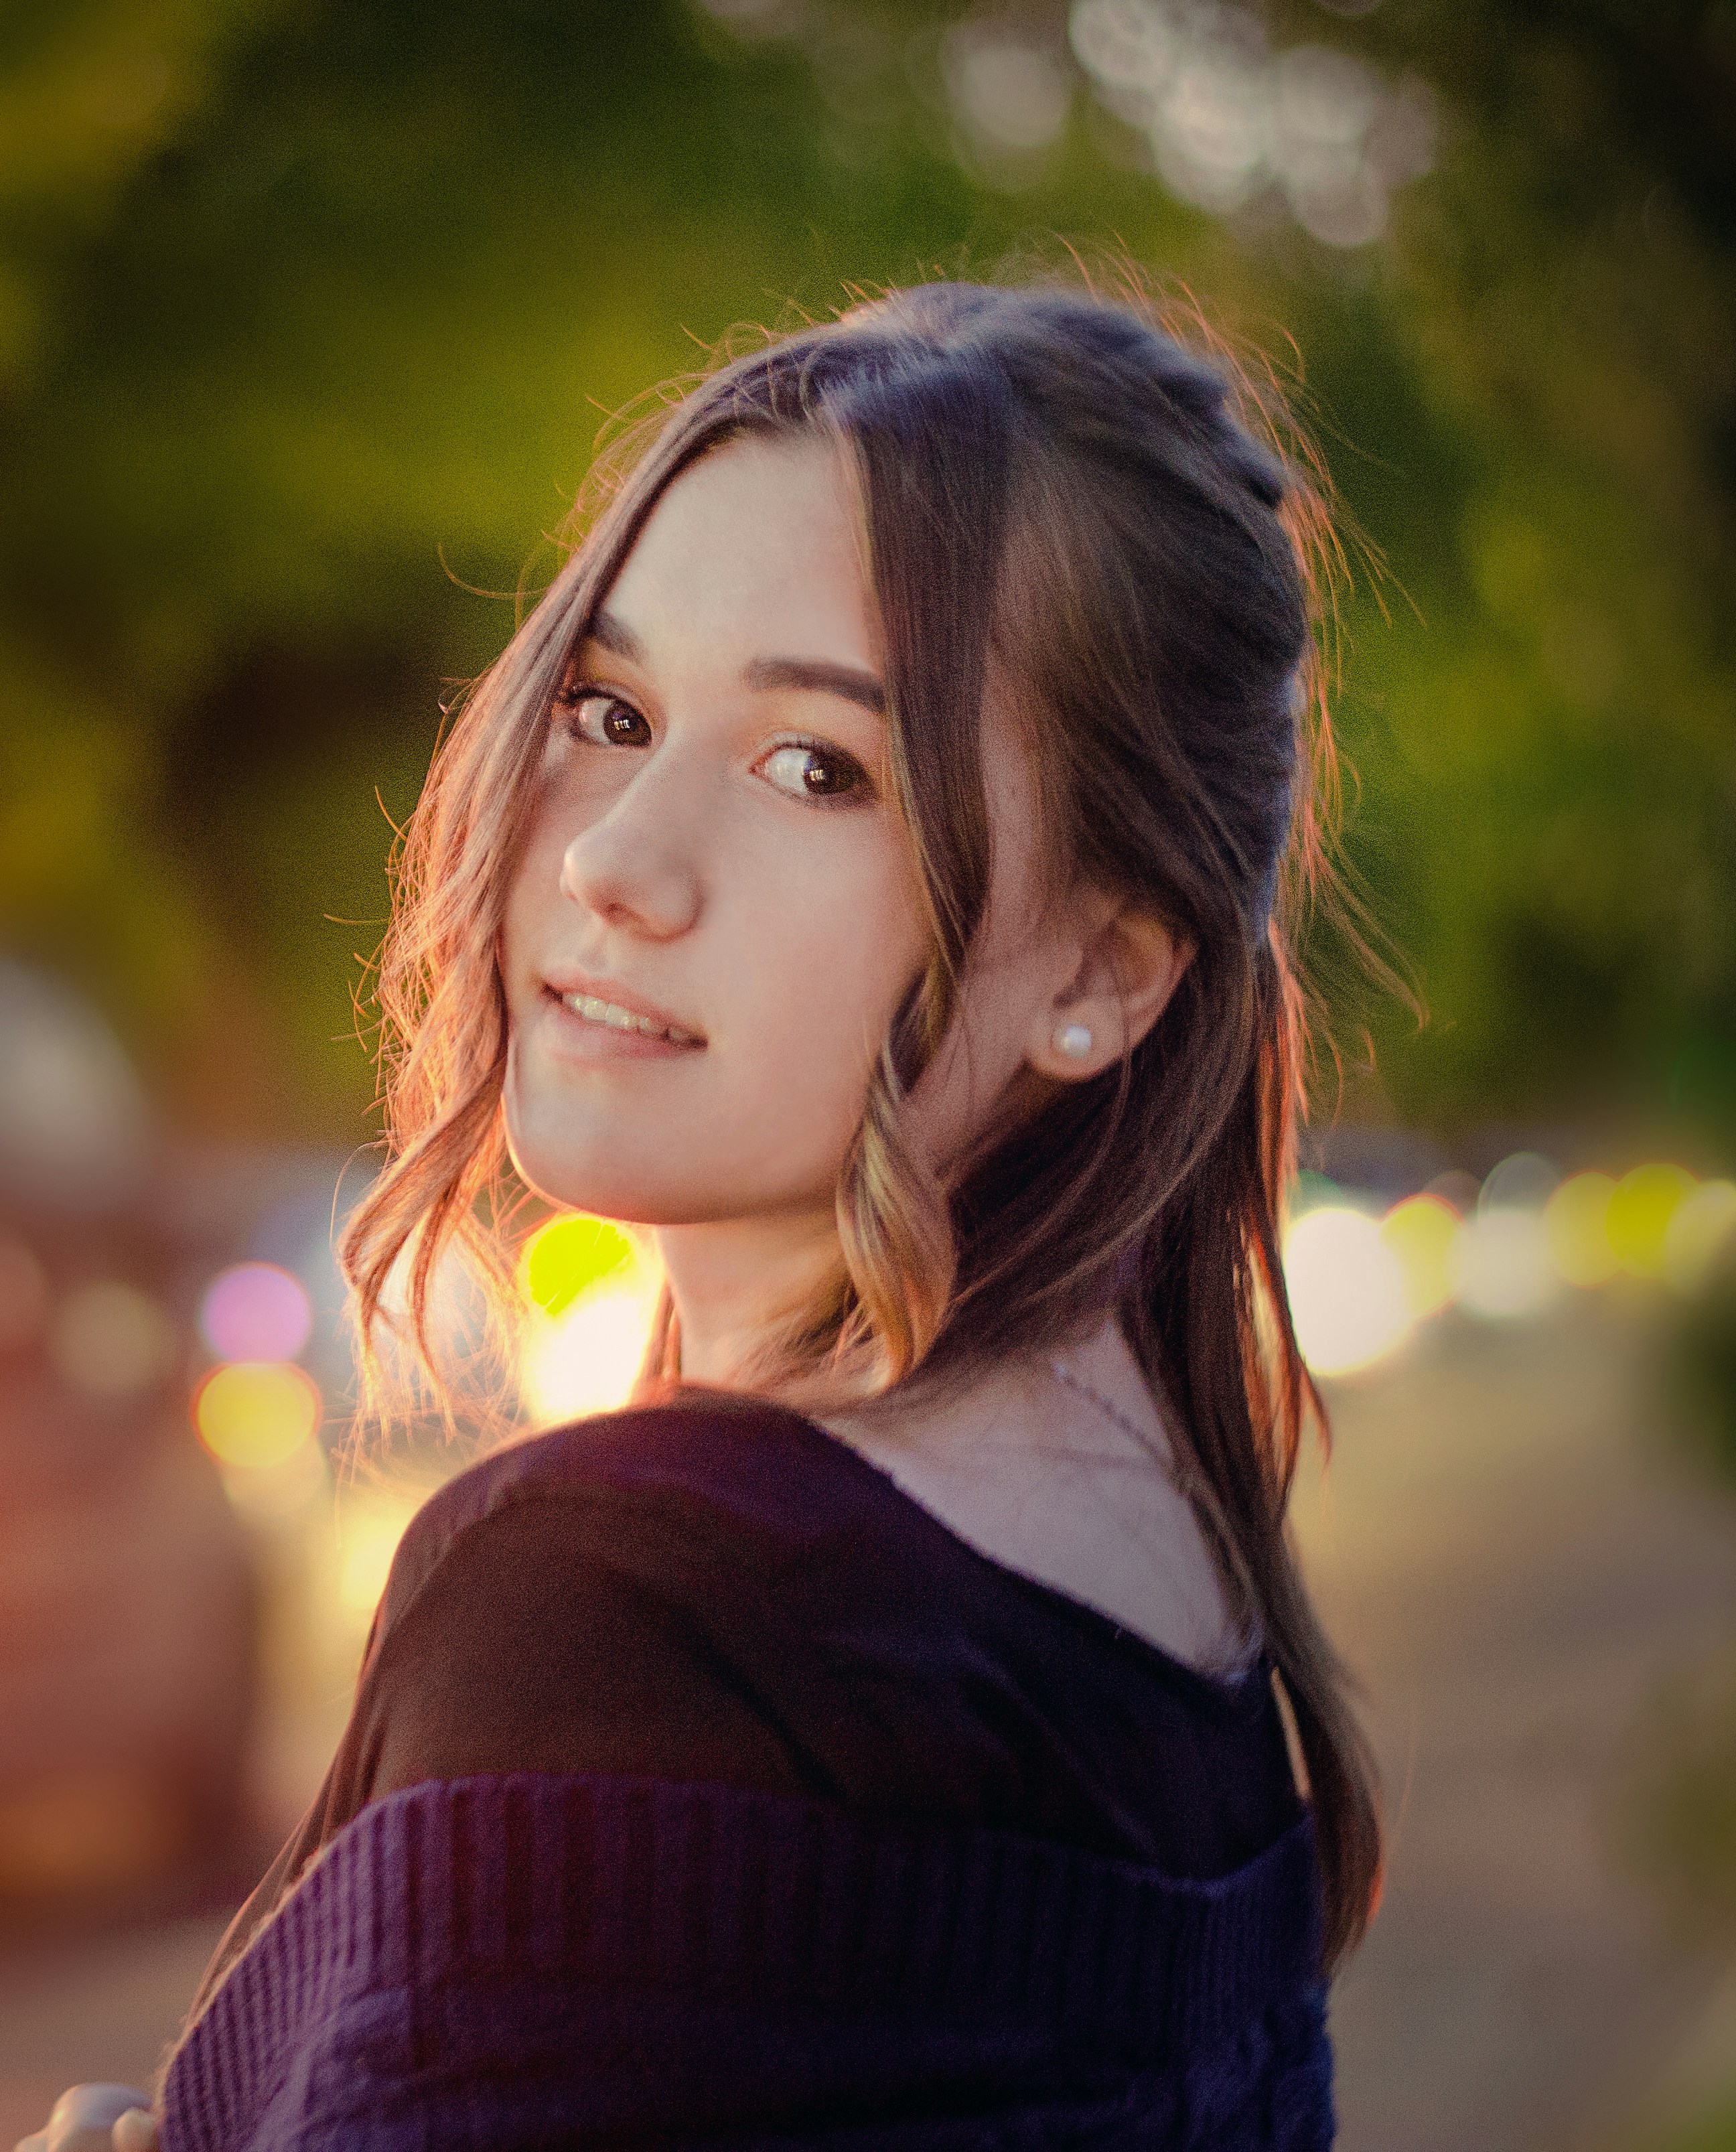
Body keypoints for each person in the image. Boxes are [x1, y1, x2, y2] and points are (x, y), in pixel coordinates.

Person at [29, 277, 1382, 2151]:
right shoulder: (1183, 1593)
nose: (611, 858)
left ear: (1105, 963)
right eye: (611, 706)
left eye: (816, 768)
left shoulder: (637, 1607)